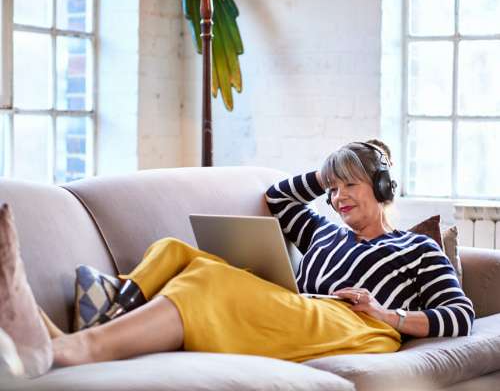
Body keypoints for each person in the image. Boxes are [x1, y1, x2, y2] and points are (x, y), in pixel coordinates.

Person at [39, 140, 474, 368]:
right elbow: (278, 199)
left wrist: (386, 314)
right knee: (174, 251)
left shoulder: (414, 247)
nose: (339, 198)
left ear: (381, 189)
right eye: (333, 189)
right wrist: (325, 174)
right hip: (302, 311)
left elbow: (460, 315)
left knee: (207, 281)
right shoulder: (322, 232)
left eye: (351, 185)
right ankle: (110, 316)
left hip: (358, 325)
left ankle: (82, 347)